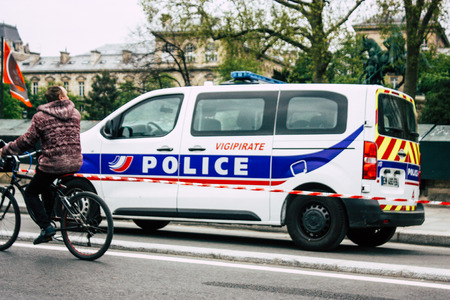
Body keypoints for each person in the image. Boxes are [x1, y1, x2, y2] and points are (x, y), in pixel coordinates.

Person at [0, 86, 83, 244]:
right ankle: (49, 215)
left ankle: (46, 227)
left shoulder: (40, 117)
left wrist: (5, 150)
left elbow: (26, 141)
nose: (67, 97)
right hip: (74, 161)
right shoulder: (75, 114)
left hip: (54, 163)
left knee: (31, 192)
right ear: (60, 97)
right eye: (65, 94)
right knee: (45, 182)